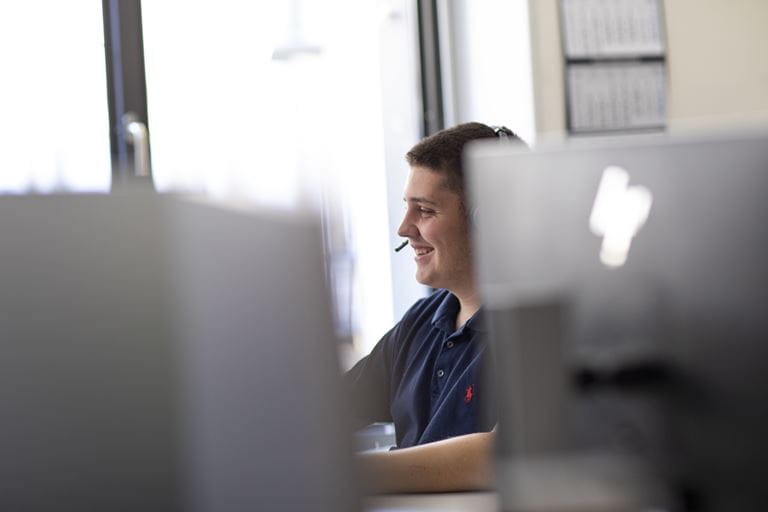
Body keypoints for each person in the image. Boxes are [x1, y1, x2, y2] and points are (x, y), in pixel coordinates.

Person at [343, 122, 522, 493]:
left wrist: (347, 472)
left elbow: (505, 452)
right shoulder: (421, 322)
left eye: (424, 210)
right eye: (407, 208)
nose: (404, 229)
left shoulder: (541, 323)